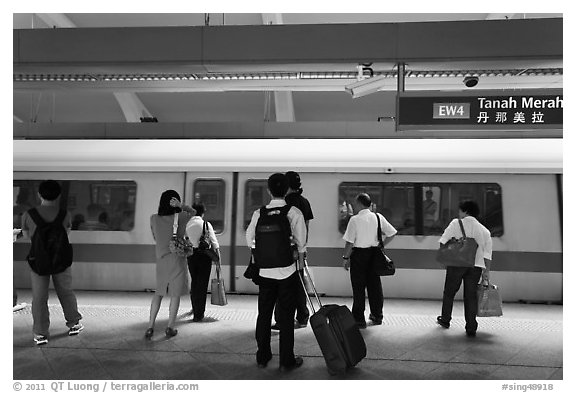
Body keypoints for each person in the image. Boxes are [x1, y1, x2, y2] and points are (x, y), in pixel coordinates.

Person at [246, 173, 307, 371]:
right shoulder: (294, 212)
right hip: (287, 272)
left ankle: (262, 356)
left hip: (265, 273)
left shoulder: (259, 213)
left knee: (264, 314)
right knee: (287, 316)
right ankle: (286, 360)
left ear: (268, 191)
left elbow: (249, 240)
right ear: (287, 189)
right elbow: (301, 243)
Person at [21, 180, 83, 345]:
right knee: (66, 292)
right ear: (58, 195)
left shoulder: (29, 214)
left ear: (39, 194)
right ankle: (73, 324)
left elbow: (28, 237)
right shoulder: (65, 214)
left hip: (38, 261)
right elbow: (67, 233)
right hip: (61, 259)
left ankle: (40, 333)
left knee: (39, 297)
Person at [436, 200, 492, 337]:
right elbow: (487, 253)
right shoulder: (484, 230)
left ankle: (445, 319)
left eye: (460, 210)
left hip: (456, 264)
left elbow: (443, 241)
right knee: (471, 296)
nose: (459, 213)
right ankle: (471, 326)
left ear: (465, 211)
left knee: (449, 292)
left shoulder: (456, 223)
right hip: (476, 266)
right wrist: (486, 272)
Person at [341, 193, 397, 328]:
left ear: (360, 204)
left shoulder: (354, 220)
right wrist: (381, 244)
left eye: (355, 203)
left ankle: (359, 319)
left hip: (359, 256)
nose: (354, 206)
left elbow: (349, 242)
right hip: (374, 255)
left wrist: (345, 258)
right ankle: (377, 316)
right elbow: (392, 233)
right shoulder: (378, 217)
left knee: (358, 288)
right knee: (375, 287)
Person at [146, 190, 196, 339]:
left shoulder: (153, 219)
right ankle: (170, 327)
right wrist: (181, 206)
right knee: (175, 295)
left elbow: (155, 237)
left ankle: (150, 327)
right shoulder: (180, 217)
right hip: (176, 260)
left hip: (161, 261)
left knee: (158, 294)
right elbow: (193, 212)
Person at [271, 171, 313, 330]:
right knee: (299, 283)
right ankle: (302, 317)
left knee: (282, 285)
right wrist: (302, 248)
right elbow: (306, 227)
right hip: (300, 249)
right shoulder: (304, 202)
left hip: (283, 251)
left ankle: (282, 319)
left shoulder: (284, 202)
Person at [185, 203, 221, 322]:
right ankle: (199, 314)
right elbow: (214, 243)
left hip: (191, 256)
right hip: (204, 257)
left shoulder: (187, 224)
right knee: (202, 284)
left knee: (194, 283)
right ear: (202, 213)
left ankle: (195, 310)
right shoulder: (206, 224)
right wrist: (218, 259)